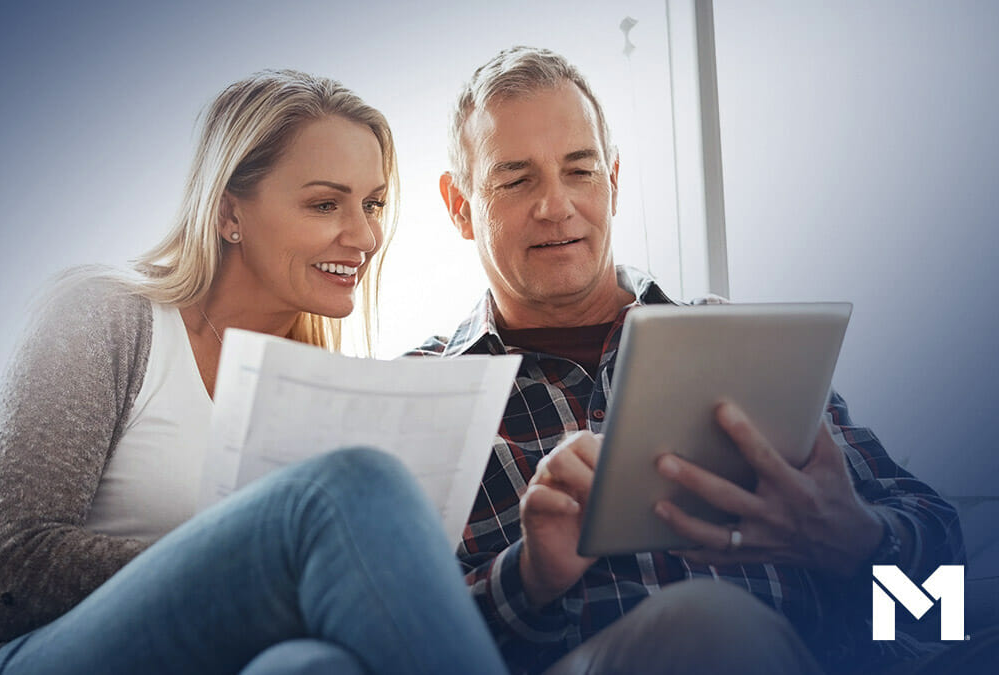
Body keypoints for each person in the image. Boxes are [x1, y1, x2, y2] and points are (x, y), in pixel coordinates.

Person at [410, 46, 969, 675]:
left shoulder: (743, 345)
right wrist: (529, 576)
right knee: (706, 626)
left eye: (580, 171)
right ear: (460, 206)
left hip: (812, 656)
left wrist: (855, 539)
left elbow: (946, 580)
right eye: (516, 179)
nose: (556, 205)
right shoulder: (420, 396)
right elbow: (390, 641)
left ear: (613, 181)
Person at [0, 70, 508, 675]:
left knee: (313, 667)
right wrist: (262, 555)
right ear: (228, 212)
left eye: (372, 205)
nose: (365, 235)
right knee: (353, 485)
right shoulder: (104, 317)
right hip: (33, 658)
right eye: (325, 203)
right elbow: (13, 575)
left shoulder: (330, 387)